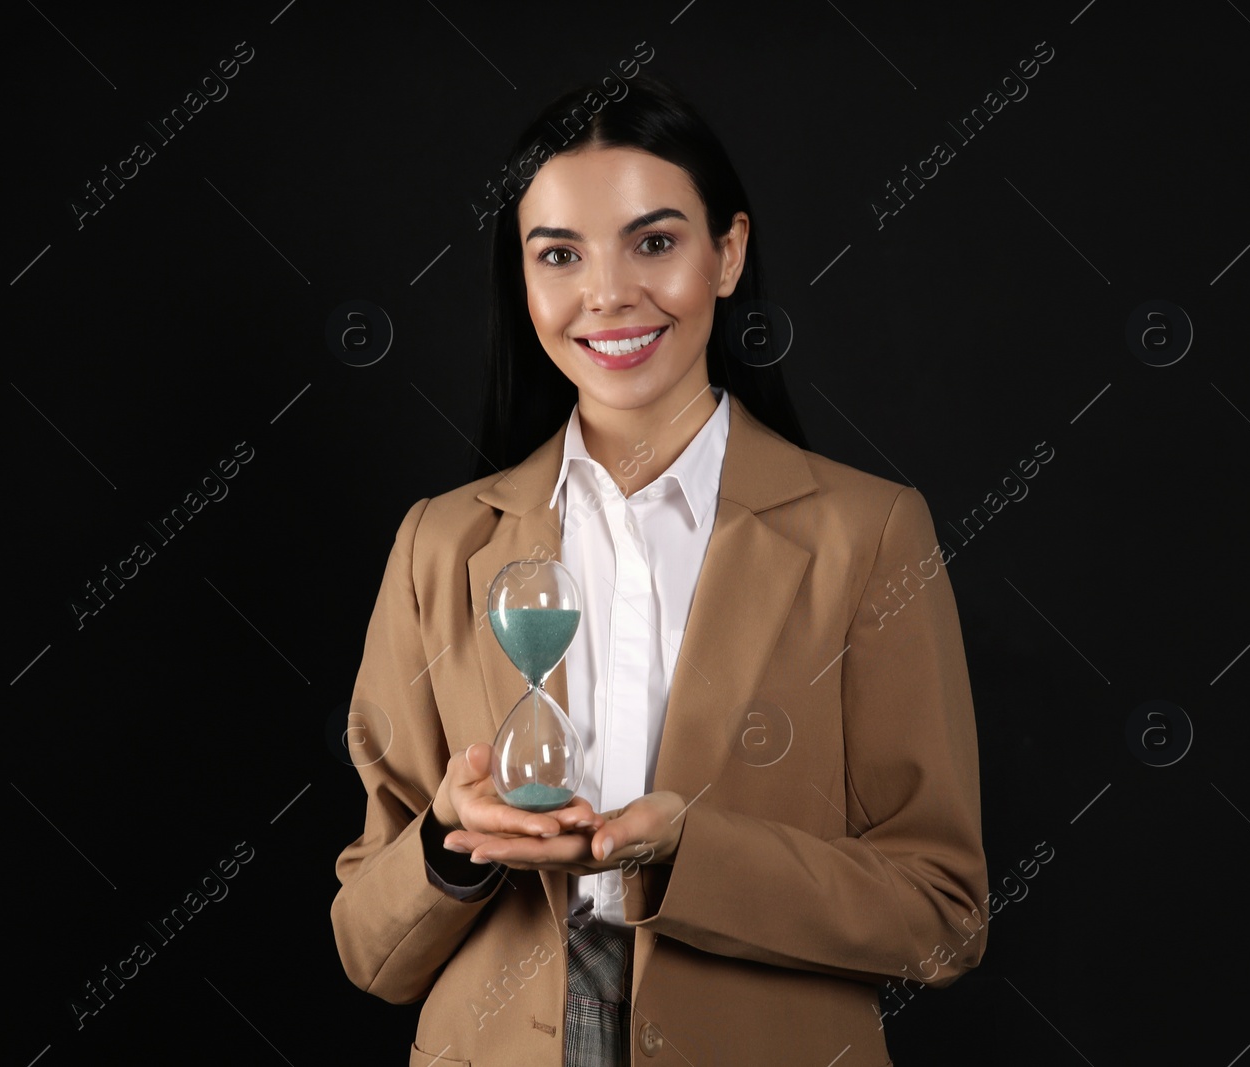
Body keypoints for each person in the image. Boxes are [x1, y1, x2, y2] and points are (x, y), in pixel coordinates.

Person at [331, 74, 987, 1066]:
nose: (607, 292)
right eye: (559, 253)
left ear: (726, 253)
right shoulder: (440, 543)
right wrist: (447, 843)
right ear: (522, 276)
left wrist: (691, 852)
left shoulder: (868, 534)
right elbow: (366, 951)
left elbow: (940, 917)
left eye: (654, 240)